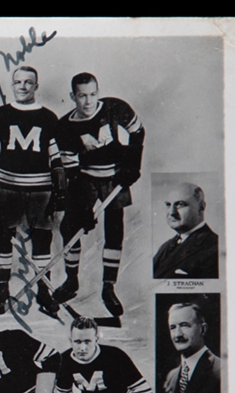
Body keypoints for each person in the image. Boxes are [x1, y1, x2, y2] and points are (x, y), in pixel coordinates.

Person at [0, 66, 66, 316]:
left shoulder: (48, 117)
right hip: (7, 188)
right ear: (12, 85)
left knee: (43, 241)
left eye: (28, 82)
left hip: (40, 190)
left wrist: (61, 190)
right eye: (18, 82)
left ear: (36, 86)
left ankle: (44, 289)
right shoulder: (1, 114)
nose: (22, 86)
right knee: (3, 236)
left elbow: (56, 158)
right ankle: (2, 288)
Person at [50, 72, 146, 317]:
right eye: (82, 96)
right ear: (73, 96)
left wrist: (132, 165)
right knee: (70, 227)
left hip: (115, 178)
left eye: (93, 94)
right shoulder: (64, 126)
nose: (88, 101)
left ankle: (108, 288)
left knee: (114, 231)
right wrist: (83, 208)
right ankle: (72, 281)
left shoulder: (115, 108)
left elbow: (137, 132)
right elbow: (71, 169)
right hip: (86, 179)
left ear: (98, 92)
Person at [153, 182, 219, 279]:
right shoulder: (165, 246)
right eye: (168, 204)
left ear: (201, 207)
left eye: (180, 204)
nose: (171, 212)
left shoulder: (214, 246)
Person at [159, 303, 222, 393]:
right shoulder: (172, 376)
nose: (177, 334)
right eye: (172, 328)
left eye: (184, 325)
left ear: (203, 329)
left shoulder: (221, 370)